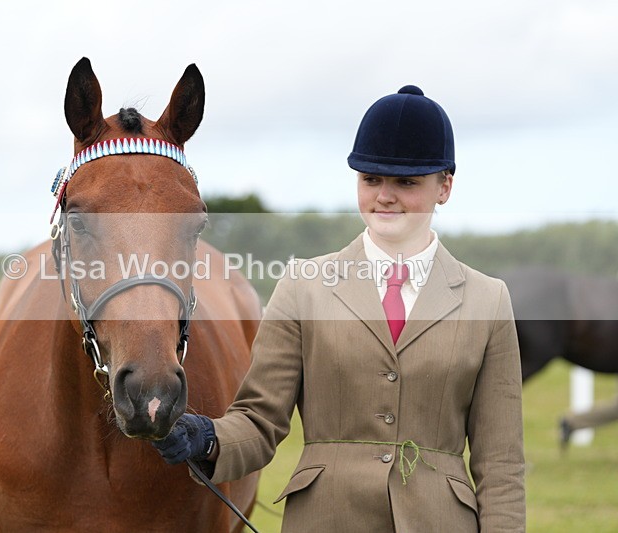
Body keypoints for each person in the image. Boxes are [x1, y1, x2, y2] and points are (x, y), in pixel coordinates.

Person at [152, 85, 526, 532]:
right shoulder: (303, 287)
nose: (384, 196)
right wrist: (207, 438)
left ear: (444, 186)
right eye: (371, 179)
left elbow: (501, 464)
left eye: (406, 182)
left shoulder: (488, 300)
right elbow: (260, 421)